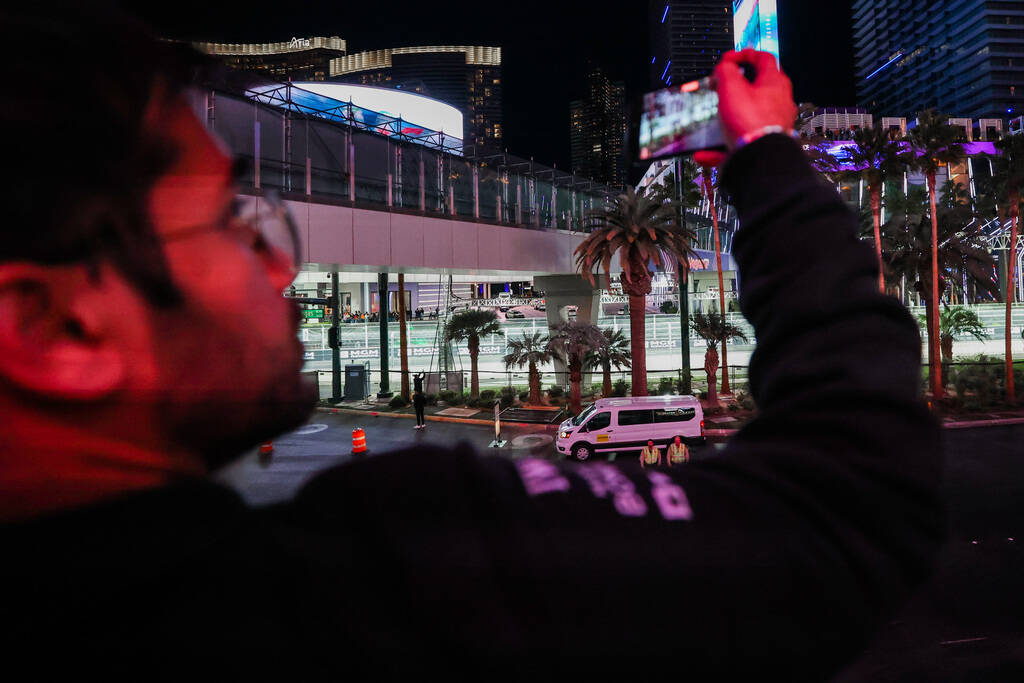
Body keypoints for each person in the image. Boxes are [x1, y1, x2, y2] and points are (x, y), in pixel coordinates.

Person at [1, 12, 942, 678]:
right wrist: (766, 155)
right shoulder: (387, 572)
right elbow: (845, 505)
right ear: (50, 325)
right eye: (229, 220)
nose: (280, 267)